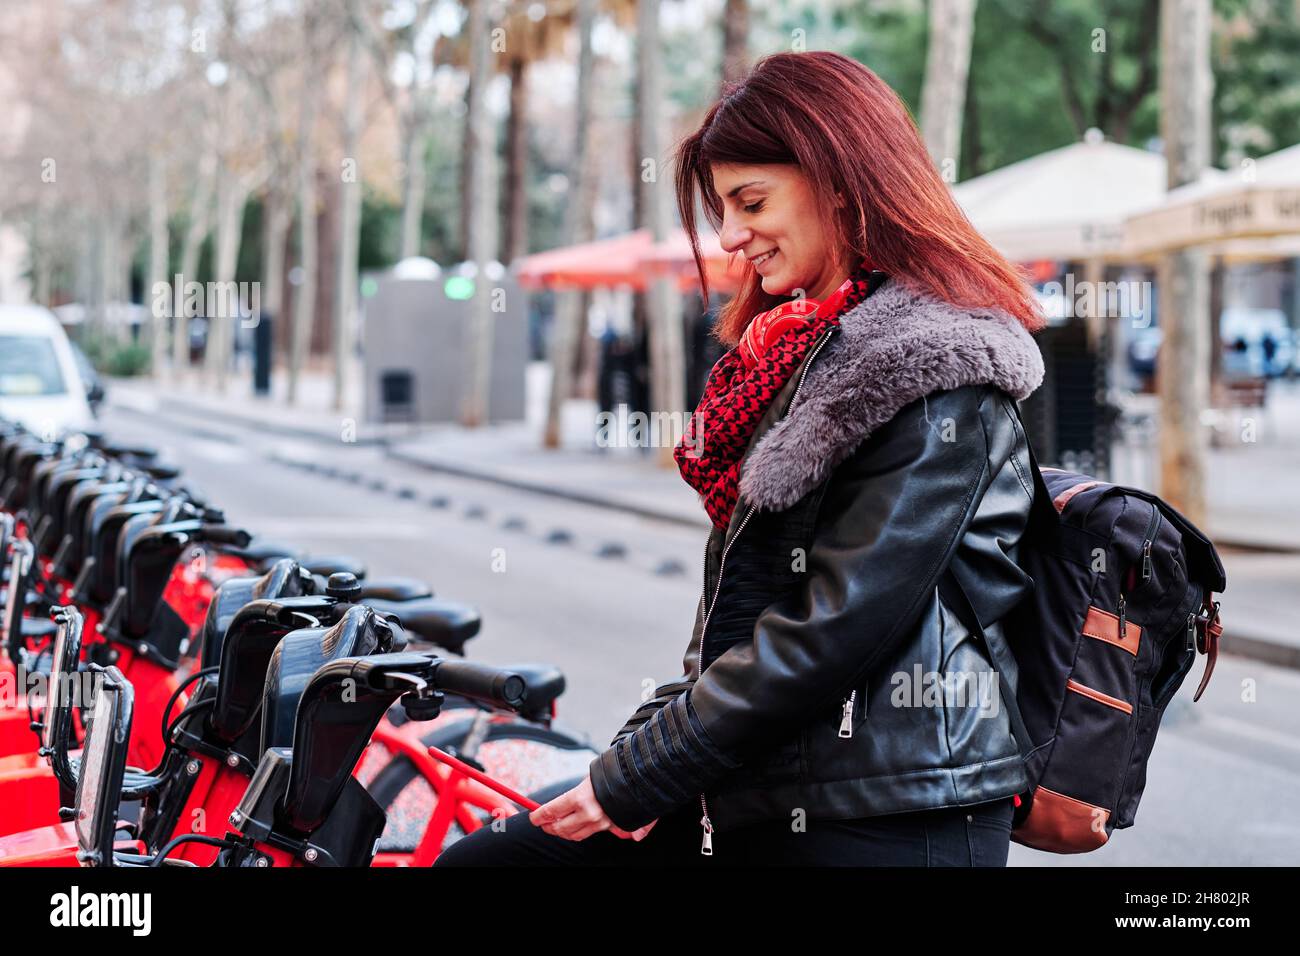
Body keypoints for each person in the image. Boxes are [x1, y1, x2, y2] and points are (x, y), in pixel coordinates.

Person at [435, 49, 1046, 867]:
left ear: (839, 177)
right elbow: (748, 613)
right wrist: (644, 757)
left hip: (889, 810)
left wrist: (638, 774)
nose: (728, 235)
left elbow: (829, 630)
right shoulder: (809, 350)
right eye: (722, 207)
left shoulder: (937, 364)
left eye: (750, 200)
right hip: (784, 779)